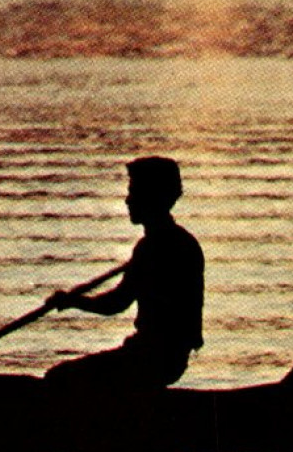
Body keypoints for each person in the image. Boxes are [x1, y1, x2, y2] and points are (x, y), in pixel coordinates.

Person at [44, 156, 203, 393]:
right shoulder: (177, 242)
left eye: (134, 192)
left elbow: (116, 303)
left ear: (152, 197)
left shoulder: (154, 248)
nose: (128, 200)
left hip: (154, 358)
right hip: (167, 357)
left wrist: (72, 301)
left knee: (59, 377)